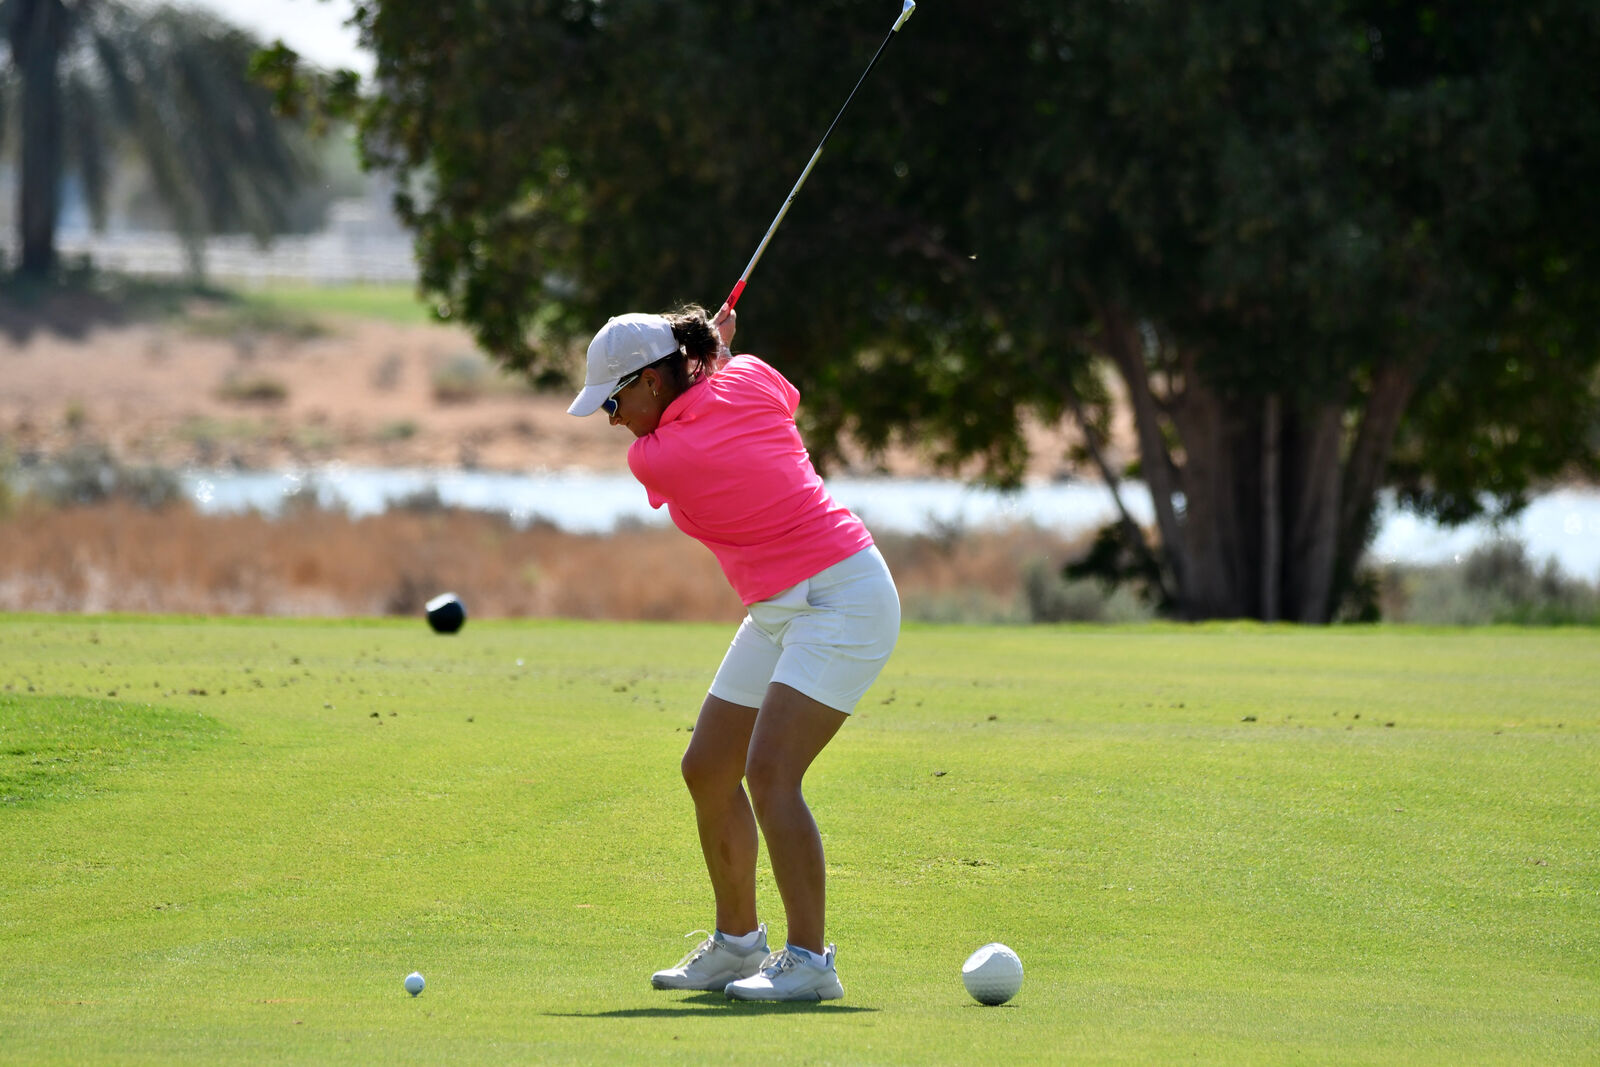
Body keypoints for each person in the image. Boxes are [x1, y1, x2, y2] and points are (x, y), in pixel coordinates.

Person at [567, 304, 900, 1002]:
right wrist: (717, 356)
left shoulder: (657, 456)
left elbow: (706, 422)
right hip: (781, 606)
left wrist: (711, 353)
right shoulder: (749, 375)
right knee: (709, 768)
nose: (610, 419)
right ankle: (738, 943)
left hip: (842, 599)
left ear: (652, 383)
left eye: (614, 400)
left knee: (771, 771)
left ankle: (811, 960)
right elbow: (768, 393)